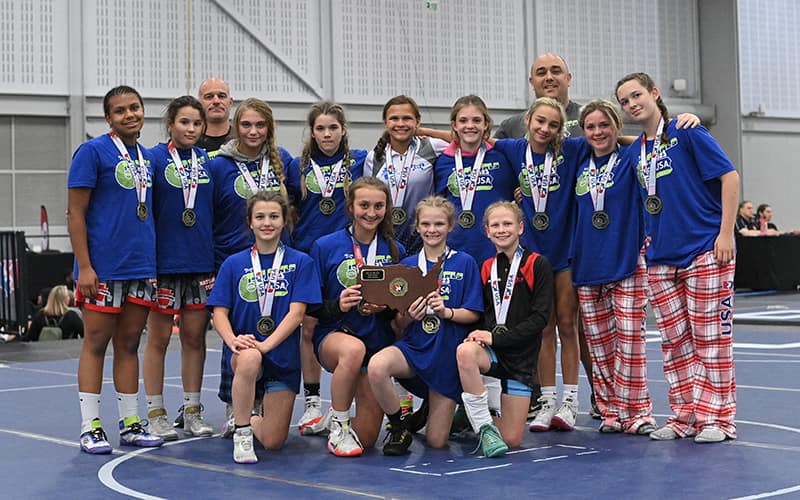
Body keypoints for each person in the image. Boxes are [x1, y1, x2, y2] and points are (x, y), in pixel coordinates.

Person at [616, 72, 738, 443]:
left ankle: (719, 418)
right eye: (624, 101)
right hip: (660, 259)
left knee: (711, 339)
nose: (631, 103)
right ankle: (686, 415)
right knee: (675, 344)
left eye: (636, 95)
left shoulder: (688, 132)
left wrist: (726, 232)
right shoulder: (636, 150)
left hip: (704, 249)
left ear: (654, 93)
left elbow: (729, 178)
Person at [67, 85, 163, 454]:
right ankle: (90, 425)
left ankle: (130, 422)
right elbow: (75, 212)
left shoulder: (147, 158)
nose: (129, 115)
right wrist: (85, 267)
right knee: (95, 344)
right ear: (108, 118)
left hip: (141, 266)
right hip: (104, 268)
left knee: (129, 343)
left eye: (134, 108)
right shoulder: (92, 152)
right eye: (120, 110)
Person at [492, 97, 585, 432]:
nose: (545, 129)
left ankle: (570, 400)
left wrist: (672, 126)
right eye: (540, 121)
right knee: (543, 327)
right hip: (532, 256)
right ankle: (546, 400)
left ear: (561, 128)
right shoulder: (513, 148)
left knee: (567, 324)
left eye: (553, 125)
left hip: (565, 253)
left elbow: (615, 139)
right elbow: (467, 137)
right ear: (528, 119)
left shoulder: (571, 151)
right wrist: (416, 129)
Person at [207, 190, 321, 463]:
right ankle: (243, 432)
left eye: (273, 216)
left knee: (273, 442)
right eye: (260, 217)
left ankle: (249, 416)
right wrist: (233, 340)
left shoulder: (300, 262)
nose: (266, 222)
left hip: (282, 356)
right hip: (245, 349)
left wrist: (266, 345)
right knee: (249, 358)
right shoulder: (234, 264)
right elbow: (219, 313)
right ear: (250, 222)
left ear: (284, 221)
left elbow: (297, 314)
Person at [207, 97, 295, 436]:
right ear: (234, 126)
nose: (253, 131)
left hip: (277, 264)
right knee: (238, 338)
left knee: (272, 329)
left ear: (269, 128)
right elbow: (209, 216)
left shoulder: (283, 162)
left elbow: (294, 208)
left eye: (260, 125)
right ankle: (236, 408)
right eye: (246, 124)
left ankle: (263, 407)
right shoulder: (218, 165)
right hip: (233, 262)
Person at [368, 196, 483, 455]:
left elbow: (473, 313)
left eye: (439, 224)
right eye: (426, 224)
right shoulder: (407, 266)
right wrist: (410, 315)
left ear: (451, 226)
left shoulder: (465, 262)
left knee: (436, 442)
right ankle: (399, 425)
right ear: (417, 226)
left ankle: (432, 405)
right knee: (377, 366)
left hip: (446, 354)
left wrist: (447, 312)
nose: (432, 230)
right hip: (415, 347)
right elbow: (398, 325)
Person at [570, 100, 657, 435]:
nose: (597, 132)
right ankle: (610, 411)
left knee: (630, 340)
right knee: (599, 343)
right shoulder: (579, 163)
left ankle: (638, 411)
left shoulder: (632, 158)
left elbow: (653, 136)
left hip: (627, 259)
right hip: (588, 263)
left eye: (604, 125)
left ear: (617, 126)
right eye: (590, 127)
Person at [285, 101, 366, 436]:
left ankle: (350, 402)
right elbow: (287, 207)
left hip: (349, 254)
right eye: (320, 128)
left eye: (333, 127)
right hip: (308, 255)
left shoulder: (359, 161)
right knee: (308, 327)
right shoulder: (297, 167)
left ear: (343, 129)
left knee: (358, 322)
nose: (327, 134)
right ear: (312, 131)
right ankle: (313, 403)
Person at [309, 177, 405, 457]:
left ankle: (336, 413)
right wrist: (338, 305)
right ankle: (339, 422)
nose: (371, 212)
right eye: (364, 205)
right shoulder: (324, 246)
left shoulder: (395, 249)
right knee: (353, 349)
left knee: (367, 439)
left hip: (376, 344)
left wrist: (385, 306)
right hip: (336, 337)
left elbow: (400, 302)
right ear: (350, 207)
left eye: (379, 206)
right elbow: (312, 307)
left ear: (387, 209)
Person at [143, 95, 215, 441]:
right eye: (184, 122)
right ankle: (155, 412)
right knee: (158, 340)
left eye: (197, 123)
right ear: (170, 124)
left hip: (200, 263)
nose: (191, 129)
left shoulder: (207, 162)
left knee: (194, 339)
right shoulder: (154, 160)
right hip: (164, 265)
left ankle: (192, 411)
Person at [456, 201, 553, 457]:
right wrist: (479, 335)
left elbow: (540, 319)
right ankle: (484, 425)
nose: (502, 230)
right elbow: (482, 312)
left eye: (507, 224)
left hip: (520, 359)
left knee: (511, 440)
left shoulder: (537, 264)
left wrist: (499, 338)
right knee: (465, 352)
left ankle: (471, 415)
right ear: (487, 231)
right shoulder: (486, 267)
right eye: (495, 225)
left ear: (520, 227)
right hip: (493, 354)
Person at [433, 95, 517, 264]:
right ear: (454, 126)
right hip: (456, 247)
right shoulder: (443, 161)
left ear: (486, 124)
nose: (470, 126)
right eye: (463, 120)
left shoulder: (502, 157)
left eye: (476, 120)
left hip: (496, 247)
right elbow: (440, 205)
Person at [365, 95, 448, 255]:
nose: (400, 124)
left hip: (424, 237)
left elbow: (463, 139)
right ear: (385, 123)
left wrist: (424, 131)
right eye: (394, 119)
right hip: (386, 238)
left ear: (417, 121)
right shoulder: (374, 158)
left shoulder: (430, 147)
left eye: (407, 119)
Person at [495, 53, 582, 139]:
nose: (549, 77)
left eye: (556, 72)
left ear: (568, 78)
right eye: (541, 73)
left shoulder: (588, 117)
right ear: (532, 82)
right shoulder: (512, 127)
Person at [196, 77, 234, 154]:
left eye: (221, 96)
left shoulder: (242, 141)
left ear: (230, 103)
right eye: (209, 97)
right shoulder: (189, 142)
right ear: (199, 104)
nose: (216, 101)